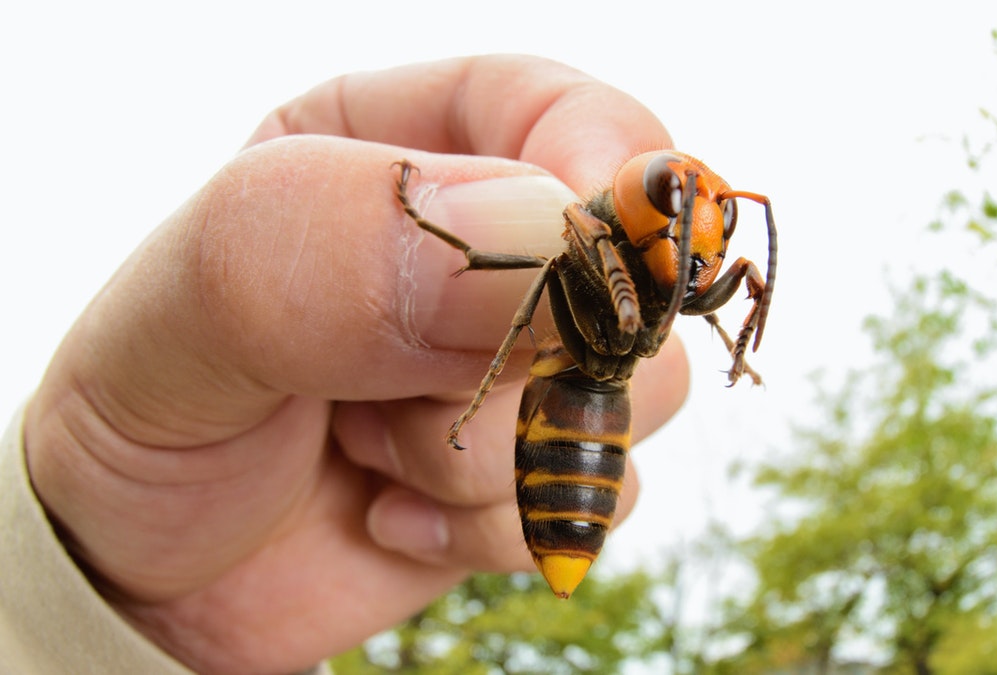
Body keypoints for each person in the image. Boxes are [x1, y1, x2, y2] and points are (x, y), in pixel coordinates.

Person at [0, 55, 689, 674]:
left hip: (587, 416)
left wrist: (129, 630)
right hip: (571, 419)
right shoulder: (582, 225)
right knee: (537, 262)